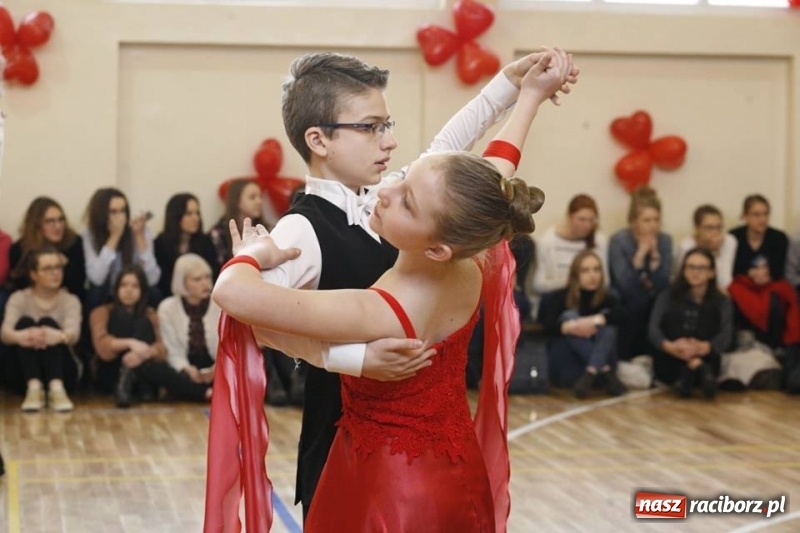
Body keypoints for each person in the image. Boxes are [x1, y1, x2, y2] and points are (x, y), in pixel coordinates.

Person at [210, 49, 569, 533]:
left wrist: (512, 86)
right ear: (319, 139)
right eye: (372, 127)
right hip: (339, 439)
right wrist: (348, 361)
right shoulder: (303, 231)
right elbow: (248, 323)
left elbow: (453, 153)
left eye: (388, 123)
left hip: (399, 456)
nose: (391, 141)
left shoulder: (393, 198)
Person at [1, 245, 81, 411]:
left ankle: (56, 388)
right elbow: (5, 332)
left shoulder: (70, 300)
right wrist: (23, 336)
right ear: (34, 275)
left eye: (58, 267)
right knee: (25, 323)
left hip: (63, 374)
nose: (55, 273)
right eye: (48, 268)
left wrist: (57, 336)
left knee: (48, 322)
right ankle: (34, 387)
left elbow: (74, 333)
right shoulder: (19, 298)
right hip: (23, 374)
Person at [648, 248, 733, 399]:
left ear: (711, 272)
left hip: (706, 354)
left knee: (709, 360)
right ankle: (695, 372)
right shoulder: (667, 295)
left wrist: (704, 347)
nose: (695, 272)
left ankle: (693, 374)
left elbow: (726, 335)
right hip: (671, 355)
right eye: (690, 267)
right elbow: (653, 329)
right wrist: (670, 346)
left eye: (702, 268)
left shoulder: (722, 301)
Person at [541, 250, 625, 398]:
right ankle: (603, 369)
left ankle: (591, 371)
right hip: (569, 363)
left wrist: (596, 320)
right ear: (575, 274)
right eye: (585, 271)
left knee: (609, 327)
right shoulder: (560, 297)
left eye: (597, 269)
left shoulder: (608, 298)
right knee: (568, 316)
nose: (592, 275)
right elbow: (547, 326)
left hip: (592, 370)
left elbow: (622, 316)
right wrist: (571, 327)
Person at [608, 186, 672, 360]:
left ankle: (656, 361)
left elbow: (662, 283)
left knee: (660, 303)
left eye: (656, 220)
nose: (653, 225)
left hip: (654, 296)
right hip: (625, 298)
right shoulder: (619, 241)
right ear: (633, 221)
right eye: (647, 220)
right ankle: (625, 358)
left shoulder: (665, 241)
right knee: (635, 301)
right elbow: (624, 283)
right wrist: (639, 258)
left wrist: (654, 262)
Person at [89, 264, 167, 407]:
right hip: (110, 370)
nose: (129, 290)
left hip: (142, 367)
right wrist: (130, 343)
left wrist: (144, 353)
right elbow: (102, 347)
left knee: (143, 322)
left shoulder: (151, 315)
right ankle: (125, 383)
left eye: (135, 286)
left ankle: (131, 381)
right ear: (116, 288)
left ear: (142, 290)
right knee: (122, 316)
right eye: (124, 285)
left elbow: (162, 350)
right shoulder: (101, 312)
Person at [82, 187, 161, 313]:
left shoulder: (142, 231)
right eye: (113, 212)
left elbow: (152, 279)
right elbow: (96, 278)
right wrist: (115, 236)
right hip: (107, 293)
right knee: (94, 292)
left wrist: (139, 237)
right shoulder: (90, 234)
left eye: (123, 211)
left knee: (154, 292)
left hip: (133, 291)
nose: (120, 217)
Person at [155, 253, 217, 402]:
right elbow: (171, 349)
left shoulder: (221, 304)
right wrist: (185, 368)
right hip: (184, 364)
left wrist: (217, 368)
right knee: (159, 370)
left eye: (207, 277)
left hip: (216, 364)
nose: (205, 284)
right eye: (197, 279)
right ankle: (206, 393)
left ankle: (202, 391)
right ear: (182, 282)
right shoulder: (167, 308)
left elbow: (229, 345)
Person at [6, 197, 86, 300]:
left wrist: (65, 265)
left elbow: (78, 286)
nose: (58, 226)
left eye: (61, 220)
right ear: (36, 225)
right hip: (32, 304)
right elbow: (21, 287)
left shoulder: (74, 242)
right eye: (49, 221)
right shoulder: (20, 249)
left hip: (68, 302)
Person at [532, 193, 608, 299]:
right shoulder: (548, 241)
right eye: (582, 219)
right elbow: (538, 284)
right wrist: (573, 281)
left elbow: (605, 281)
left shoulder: (598, 240)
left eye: (591, 220)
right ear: (569, 217)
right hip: (560, 297)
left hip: (590, 297)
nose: (587, 225)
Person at [154, 193, 219, 298]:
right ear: (176, 217)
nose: (196, 218)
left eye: (197, 213)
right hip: (169, 300)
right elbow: (160, 281)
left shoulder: (206, 242)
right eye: (189, 213)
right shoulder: (160, 244)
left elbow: (214, 276)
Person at [676, 204, 737, 292]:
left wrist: (716, 252)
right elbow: (685, 282)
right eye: (710, 228)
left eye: (719, 227)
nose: (715, 233)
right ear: (696, 228)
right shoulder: (686, 247)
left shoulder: (729, 241)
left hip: (719, 295)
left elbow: (725, 282)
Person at [730, 194, 788, 282]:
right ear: (744, 217)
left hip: (770, 285)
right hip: (741, 285)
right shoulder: (733, 237)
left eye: (766, 214)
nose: (763, 219)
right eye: (756, 215)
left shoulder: (779, 238)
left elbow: (780, 272)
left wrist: (764, 274)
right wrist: (750, 273)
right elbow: (730, 271)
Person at [208, 179, 266, 267]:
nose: (259, 202)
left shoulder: (264, 230)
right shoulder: (218, 235)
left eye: (260, 197)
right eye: (252, 197)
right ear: (236, 201)